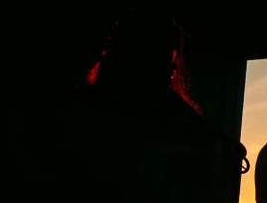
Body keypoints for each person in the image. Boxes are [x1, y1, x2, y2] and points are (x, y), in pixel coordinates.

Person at [79, 8, 208, 125]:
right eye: (143, 48)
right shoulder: (85, 106)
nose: (155, 59)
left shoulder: (185, 120)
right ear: (119, 54)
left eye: (164, 51)